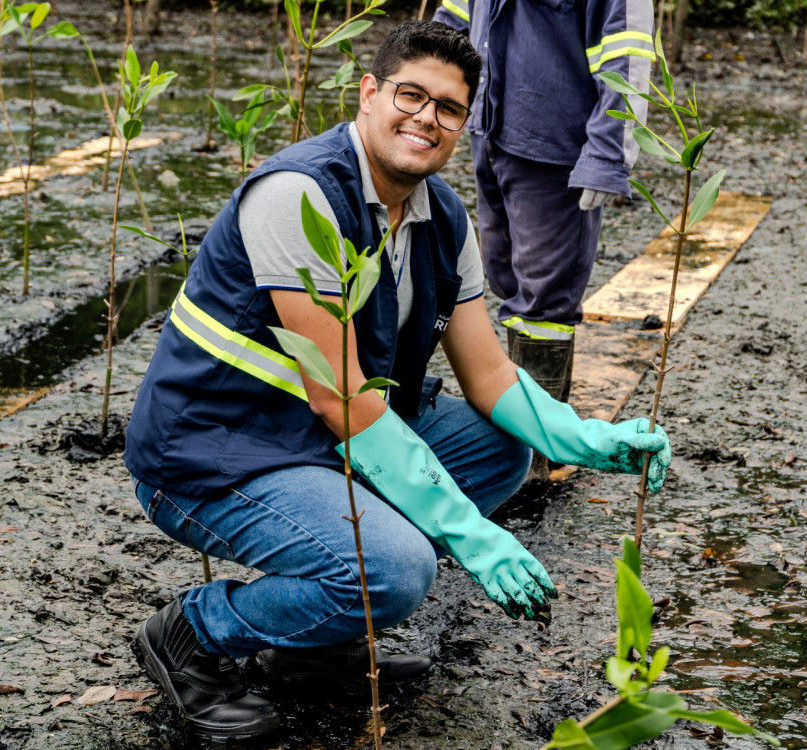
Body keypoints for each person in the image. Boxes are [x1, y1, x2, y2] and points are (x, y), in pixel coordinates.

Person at [123, 21, 671, 743]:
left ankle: (312, 644)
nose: (426, 118)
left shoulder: (442, 218)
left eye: (449, 108)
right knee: (393, 569)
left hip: (314, 440)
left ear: (464, 124)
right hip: (215, 451)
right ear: (369, 93)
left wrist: (584, 438)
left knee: (499, 448)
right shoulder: (299, 196)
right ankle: (195, 632)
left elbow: (489, 373)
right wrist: (471, 534)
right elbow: (343, 399)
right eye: (411, 95)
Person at [434, 0, 657, 444]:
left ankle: (537, 450)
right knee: (503, 278)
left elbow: (627, 53)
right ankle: (520, 426)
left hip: (557, 148)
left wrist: (607, 154)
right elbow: (454, 22)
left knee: (545, 301)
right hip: (490, 131)